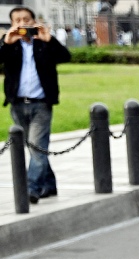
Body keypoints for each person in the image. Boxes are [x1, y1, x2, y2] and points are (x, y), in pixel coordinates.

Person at [1, 6, 70, 205]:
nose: (22, 24)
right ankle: (49, 184)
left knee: (37, 148)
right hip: (18, 104)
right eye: (17, 20)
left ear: (33, 21)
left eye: (26, 19)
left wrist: (49, 39)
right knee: (33, 148)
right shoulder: (10, 45)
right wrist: (7, 42)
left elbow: (65, 57)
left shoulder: (44, 43)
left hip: (41, 104)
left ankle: (30, 189)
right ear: (12, 23)